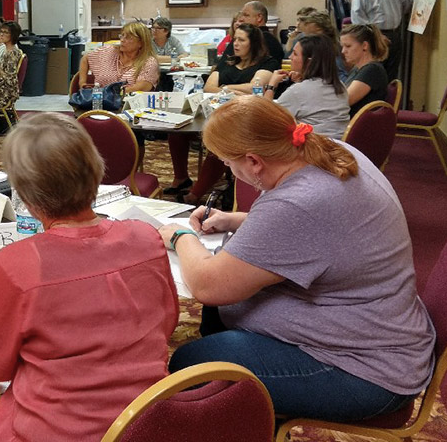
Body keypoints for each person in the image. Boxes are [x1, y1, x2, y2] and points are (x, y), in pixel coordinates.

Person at [160, 96, 435, 422]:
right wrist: (236, 220)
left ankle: (247, 420)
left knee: (192, 365)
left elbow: (208, 285)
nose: (228, 170)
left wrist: (180, 237)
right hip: (375, 328)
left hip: (367, 371)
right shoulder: (327, 151)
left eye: (227, 163)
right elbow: (322, 231)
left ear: (253, 161)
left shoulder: (298, 202)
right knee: (218, 317)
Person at [0, 113, 177, 442]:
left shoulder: (16, 265)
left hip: (57, 432)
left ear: (26, 196)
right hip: (147, 423)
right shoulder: (147, 238)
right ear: (95, 170)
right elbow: (167, 323)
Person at [166, 24, 276, 201]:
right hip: (213, 114)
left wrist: (224, 88)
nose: (236, 44)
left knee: (220, 145)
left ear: (253, 43)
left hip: (242, 121)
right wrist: (231, 91)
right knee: (177, 134)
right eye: (235, 40)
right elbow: (208, 86)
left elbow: (255, 87)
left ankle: (195, 194)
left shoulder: (266, 63)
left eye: (241, 40)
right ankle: (181, 178)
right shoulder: (228, 62)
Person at [264, 35, 351, 138]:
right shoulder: (340, 86)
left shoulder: (298, 91)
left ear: (309, 62)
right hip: (341, 147)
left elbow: (266, 119)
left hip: (313, 149)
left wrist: (271, 86)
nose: (290, 57)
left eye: (295, 54)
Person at [350, 0, 414, 81]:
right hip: (376, 37)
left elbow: (405, 8)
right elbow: (357, 19)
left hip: (394, 36)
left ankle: (388, 100)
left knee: (391, 75)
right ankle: (375, 100)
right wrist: (376, 36)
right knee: (375, 74)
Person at [78, 21, 160, 93]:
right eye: (122, 36)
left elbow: (139, 88)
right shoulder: (108, 51)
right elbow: (85, 58)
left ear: (141, 43)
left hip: (129, 107)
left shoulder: (149, 63)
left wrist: (108, 93)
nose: (122, 40)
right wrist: (82, 83)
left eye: (128, 37)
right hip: (99, 103)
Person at [340, 23, 389, 116]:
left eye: (348, 46)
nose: (343, 51)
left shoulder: (372, 70)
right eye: (342, 46)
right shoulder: (358, 68)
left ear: (365, 46)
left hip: (356, 128)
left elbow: (343, 102)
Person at [221, 1, 283, 67]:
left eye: (246, 15)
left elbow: (223, 65)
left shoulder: (259, 38)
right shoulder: (273, 40)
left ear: (259, 17)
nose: (242, 19)